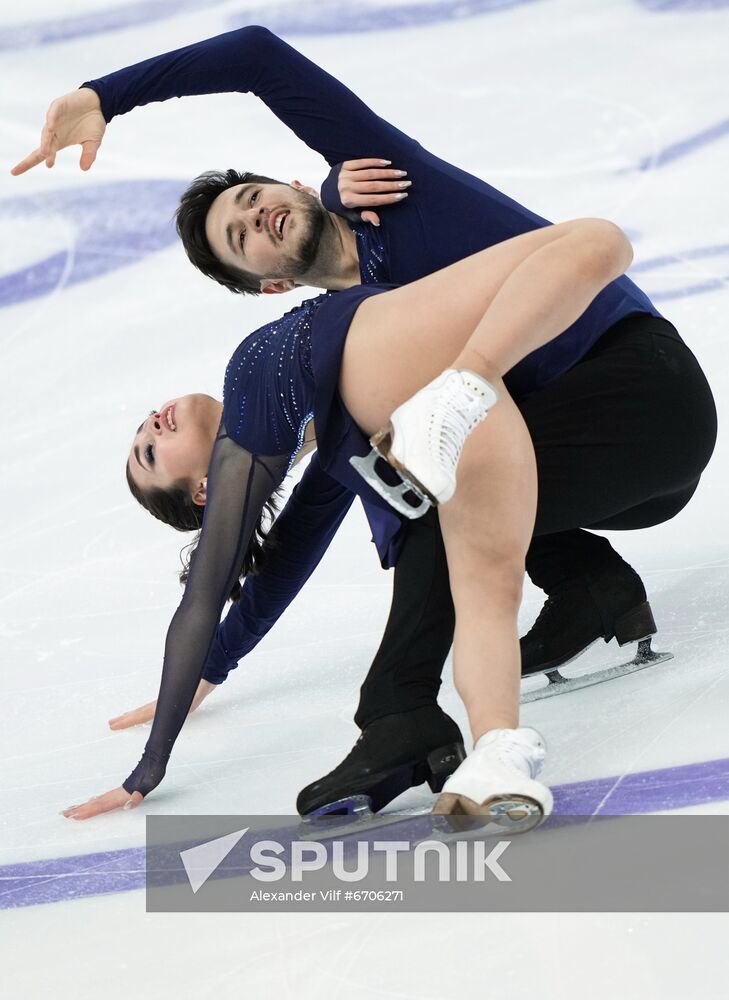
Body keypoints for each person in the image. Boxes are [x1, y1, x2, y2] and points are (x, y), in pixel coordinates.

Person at [13, 27, 717, 816]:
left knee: (425, 490)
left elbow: (256, 56)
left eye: (254, 199)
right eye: (239, 237)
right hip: (611, 471)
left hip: (641, 387)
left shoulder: (385, 181)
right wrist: (211, 664)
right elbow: (295, 538)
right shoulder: (342, 352)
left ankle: (399, 715)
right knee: (416, 468)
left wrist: (105, 96)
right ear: (267, 287)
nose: (257, 217)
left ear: (294, 186)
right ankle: (588, 591)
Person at [63, 216, 636, 823]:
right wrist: (150, 764)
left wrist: (334, 198)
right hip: (505, 412)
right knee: (481, 585)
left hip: (491, 380)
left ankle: (465, 390)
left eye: (144, 428)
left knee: (596, 243)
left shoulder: (288, 416)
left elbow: (269, 566)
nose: (153, 425)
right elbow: (235, 586)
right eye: (150, 453)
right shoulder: (301, 438)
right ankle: (500, 749)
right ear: (207, 491)